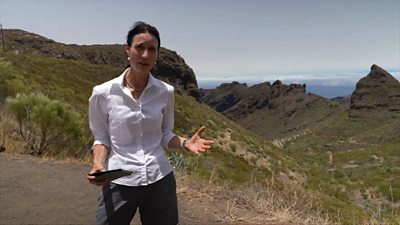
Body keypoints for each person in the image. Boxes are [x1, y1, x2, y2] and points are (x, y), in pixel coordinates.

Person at [86, 21, 215, 225]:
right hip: (120, 180)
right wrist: (98, 164)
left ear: (156, 56)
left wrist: (184, 143)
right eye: (139, 47)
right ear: (127, 50)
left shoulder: (165, 92)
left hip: (160, 178)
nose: (145, 55)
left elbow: (165, 134)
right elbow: (101, 137)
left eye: (151, 49)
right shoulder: (103, 93)